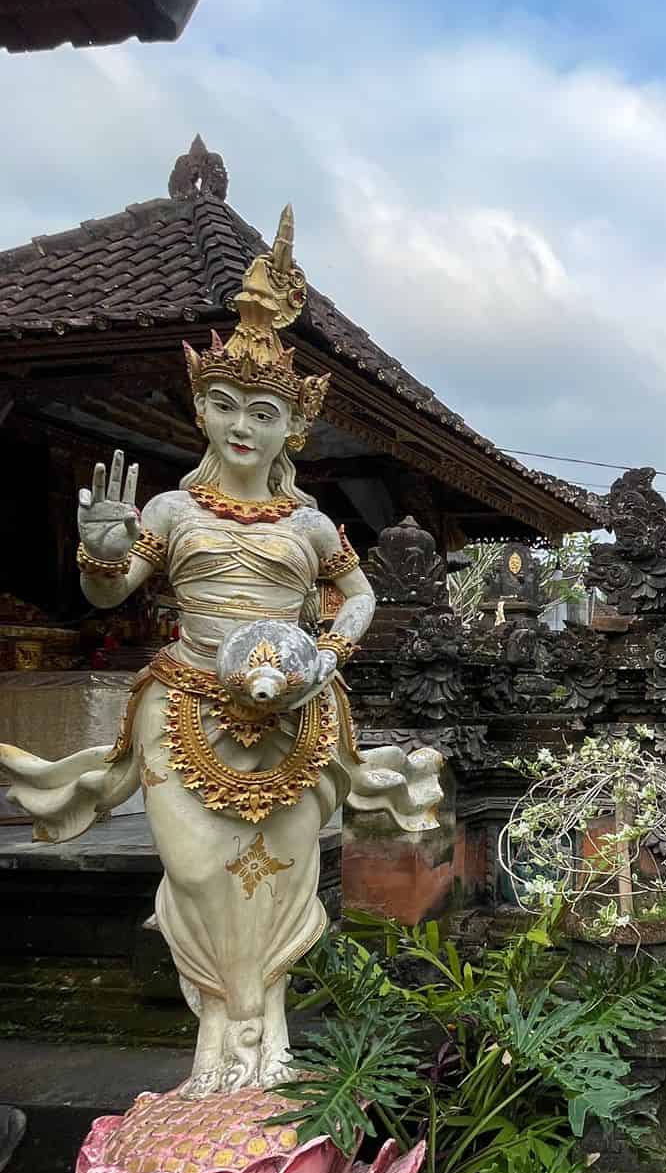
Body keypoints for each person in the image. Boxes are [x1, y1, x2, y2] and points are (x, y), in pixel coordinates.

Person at [0, 210, 441, 1093]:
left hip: (294, 711)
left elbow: (359, 596)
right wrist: (99, 550)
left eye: (265, 412)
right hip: (186, 705)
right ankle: (216, 1028)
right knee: (198, 870)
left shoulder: (309, 524)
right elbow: (108, 595)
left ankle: (265, 1029)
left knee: (284, 874)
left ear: (293, 429)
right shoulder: (170, 511)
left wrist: (328, 652)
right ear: (201, 408)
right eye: (227, 405)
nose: (243, 425)